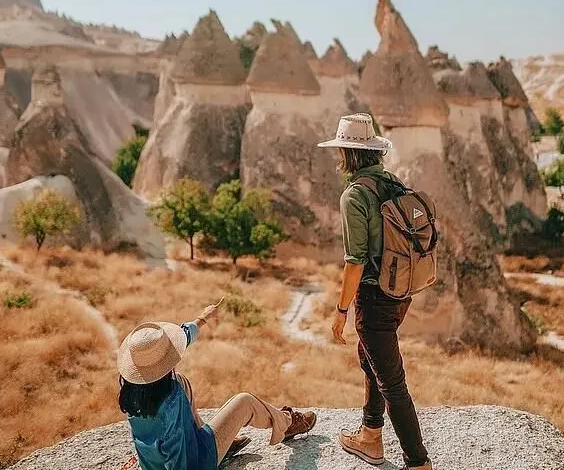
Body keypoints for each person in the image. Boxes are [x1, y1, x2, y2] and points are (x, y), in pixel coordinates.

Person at [317, 114, 432, 469]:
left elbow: (355, 261)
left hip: (374, 297)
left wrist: (341, 311)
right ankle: (370, 435)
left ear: (347, 155)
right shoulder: (393, 184)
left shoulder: (355, 195)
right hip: (401, 292)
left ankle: (418, 461)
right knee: (370, 359)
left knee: (392, 382)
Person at [117, 299, 317, 470]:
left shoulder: (132, 391)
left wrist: (203, 318)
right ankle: (287, 424)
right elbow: (178, 457)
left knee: (181, 380)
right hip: (198, 461)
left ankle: (221, 439)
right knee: (245, 401)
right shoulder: (172, 400)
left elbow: (183, 337)